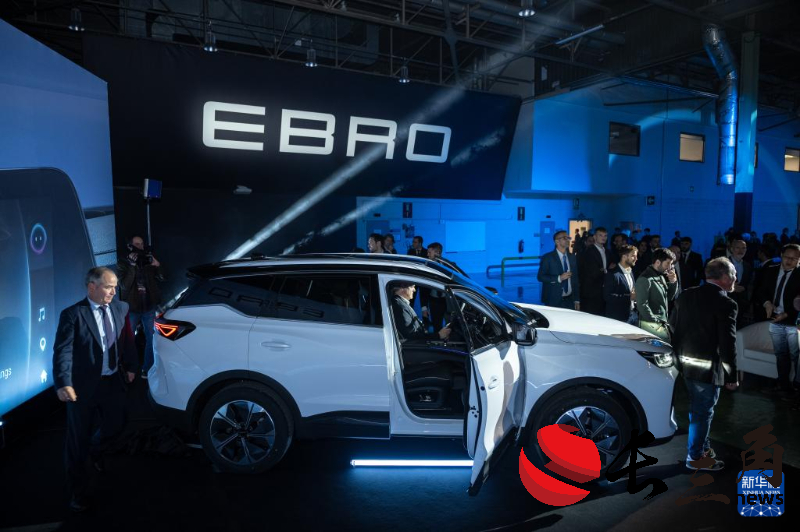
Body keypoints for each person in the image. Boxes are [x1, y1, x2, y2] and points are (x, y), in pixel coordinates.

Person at [53, 267, 138, 512]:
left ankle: (96, 449)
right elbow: (63, 351)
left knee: (118, 423)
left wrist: (132, 366)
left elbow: (127, 339)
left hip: (113, 381)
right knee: (77, 441)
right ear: (92, 286)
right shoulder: (73, 314)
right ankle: (77, 492)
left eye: (115, 286)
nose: (114, 291)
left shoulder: (121, 308)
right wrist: (64, 382)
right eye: (109, 287)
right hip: (82, 387)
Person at [669, 257, 738, 471]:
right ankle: (696, 458)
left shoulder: (686, 295)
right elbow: (728, 344)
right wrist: (732, 376)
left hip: (684, 364)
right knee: (702, 412)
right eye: (734, 275)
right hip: (707, 369)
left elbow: (673, 327)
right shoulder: (726, 304)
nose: (736, 279)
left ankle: (702, 448)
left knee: (697, 410)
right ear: (725, 277)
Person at [755, 244, 800, 395]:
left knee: (796, 356)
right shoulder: (770, 270)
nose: (790, 261)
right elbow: (760, 291)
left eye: (794, 259)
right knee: (781, 355)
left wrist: (787, 314)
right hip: (775, 319)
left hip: (793, 322)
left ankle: (796, 388)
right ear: (781, 255)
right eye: (787, 257)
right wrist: (767, 303)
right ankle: (783, 386)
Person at [117, 235, 163, 378]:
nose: (140, 247)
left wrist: (158, 266)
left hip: (149, 307)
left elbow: (162, 278)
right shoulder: (123, 263)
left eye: (142, 244)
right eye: (137, 244)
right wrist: (132, 266)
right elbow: (124, 286)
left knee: (151, 338)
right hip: (132, 308)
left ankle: (147, 368)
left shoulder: (148, 260)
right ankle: (129, 368)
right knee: (128, 339)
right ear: (130, 246)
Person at [635, 248, 678, 342]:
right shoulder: (645, 279)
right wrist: (656, 322)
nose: (670, 267)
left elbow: (669, 297)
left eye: (671, 264)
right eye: (668, 263)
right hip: (652, 326)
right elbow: (642, 305)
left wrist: (673, 282)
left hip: (659, 324)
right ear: (658, 262)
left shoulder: (660, 276)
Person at [537, 230, 580, 310]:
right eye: (564, 238)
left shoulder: (572, 257)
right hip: (553, 300)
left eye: (568, 238)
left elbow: (575, 279)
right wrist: (559, 278)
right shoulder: (548, 257)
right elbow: (540, 277)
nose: (568, 240)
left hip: (570, 300)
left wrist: (577, 299)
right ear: (557, 241)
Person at [604, 244, 638, 324]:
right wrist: (629, 297)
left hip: (632, 314)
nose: (636, 259)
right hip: (618, 318)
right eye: (633, 256)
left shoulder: (630, 271)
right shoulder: (612, 274)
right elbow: (607, 296)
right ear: (624, 257)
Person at [580, 226, 609, 316]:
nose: (603, 237)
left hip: (602, 291)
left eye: (605, 235)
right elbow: (593, 272)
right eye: (600, 235)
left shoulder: (607, 251)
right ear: (595, 237)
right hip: (591, 292)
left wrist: (603, 270)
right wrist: (605, 270)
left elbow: (612, 266)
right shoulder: (589, 251)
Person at [727, 239, 753, 328]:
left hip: (741, 304)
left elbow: (749, 282)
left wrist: (744, 287)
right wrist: (730, 286)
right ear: (732, 249)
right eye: (738, 248)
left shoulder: (747, 265)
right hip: (725, 302)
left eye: (743, 248)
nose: (741, 251)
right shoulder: (723, 263)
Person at [421, 243, 448, 328]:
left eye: (429, 252)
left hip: (448, 301)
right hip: (434, 302)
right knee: (437, 326)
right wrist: (424, 308)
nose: (427, 254)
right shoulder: (426, 268)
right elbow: (423, 289)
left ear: (437, 253)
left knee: (452, 326)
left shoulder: (449, 266)